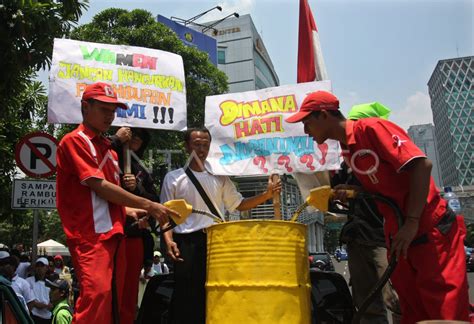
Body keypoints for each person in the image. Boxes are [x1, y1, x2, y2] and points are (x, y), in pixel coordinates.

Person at [285, 90, 469, 323]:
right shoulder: (347, 149)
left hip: (427, 228)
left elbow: (422, 165)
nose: (305, 131)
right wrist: (355, 191)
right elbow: (381, 188)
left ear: (323, 115)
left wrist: (412, 222)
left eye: (306, 122)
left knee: (445, 310)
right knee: (411, 309)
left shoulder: (371, 129)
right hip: (397, 233)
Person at [56, 82, 178, 323]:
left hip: (116, 234)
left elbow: (109, 197)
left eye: (113, 111)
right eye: (103, 109)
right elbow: (99, 186)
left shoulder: (110, 151)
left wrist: (133, 210)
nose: (110, 116)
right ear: (85, 107)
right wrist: (148, 205)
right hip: (90, 234)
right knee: (97, 296)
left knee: (116, 302)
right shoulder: (75, 140)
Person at [160, 127, 282, 324]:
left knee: (219, 289)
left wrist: (267, 195)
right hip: (186, 243)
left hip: (217, 243)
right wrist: (168, 241)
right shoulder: (173, 178)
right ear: (186, 147)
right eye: (196, 145)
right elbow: (165, 216)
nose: (201, 150)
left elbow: (239, 205)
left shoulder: (220, 176)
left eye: (205, 145)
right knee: (186, 293)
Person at [330, 102, 401, 324]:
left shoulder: (382, 157)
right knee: (366, 301)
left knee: (395, 297)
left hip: (384, 237)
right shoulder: (345, 164)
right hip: (357, 236)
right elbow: (332, 193)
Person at [110, 126, 159, 324]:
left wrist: (136, 187)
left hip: (134, 237)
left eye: (137, 139)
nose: (132, 142)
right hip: (109, 235)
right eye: (129, 137)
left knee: (129, 290)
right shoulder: (108, 160)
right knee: (108, 289)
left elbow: (155, 201)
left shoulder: (142, 171)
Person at [26, 257, 53, 324]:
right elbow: (30, 301)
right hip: (33, 316)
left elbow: (51, 299)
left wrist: (50, 305)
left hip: (47, 317)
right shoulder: (28, 281)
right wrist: (45, 306)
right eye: (37, 266)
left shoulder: (50, 283)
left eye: (42, 266)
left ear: (46, 268)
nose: (39, 268)